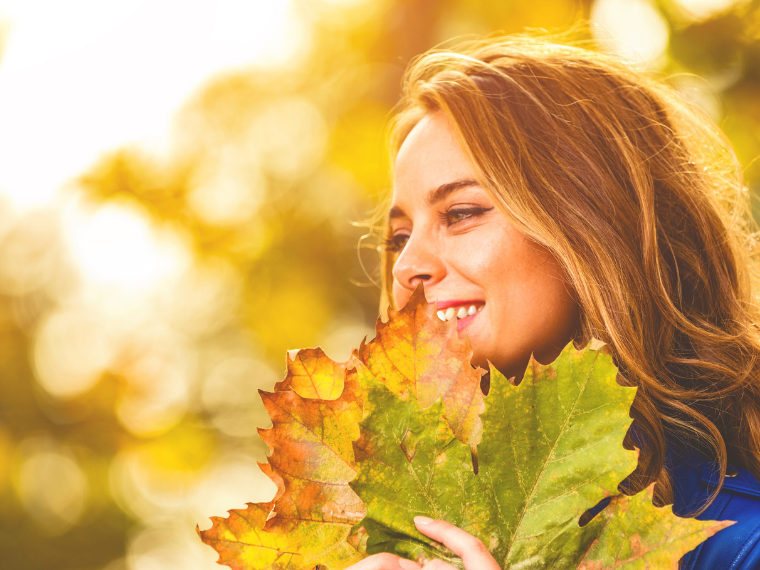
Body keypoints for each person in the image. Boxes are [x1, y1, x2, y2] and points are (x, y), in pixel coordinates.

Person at [348, 36, 760, 570]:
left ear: (595, 227)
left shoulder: (736, 546)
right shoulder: (370, 526)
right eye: (399, 237)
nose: (406, 267)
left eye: (462, 213)